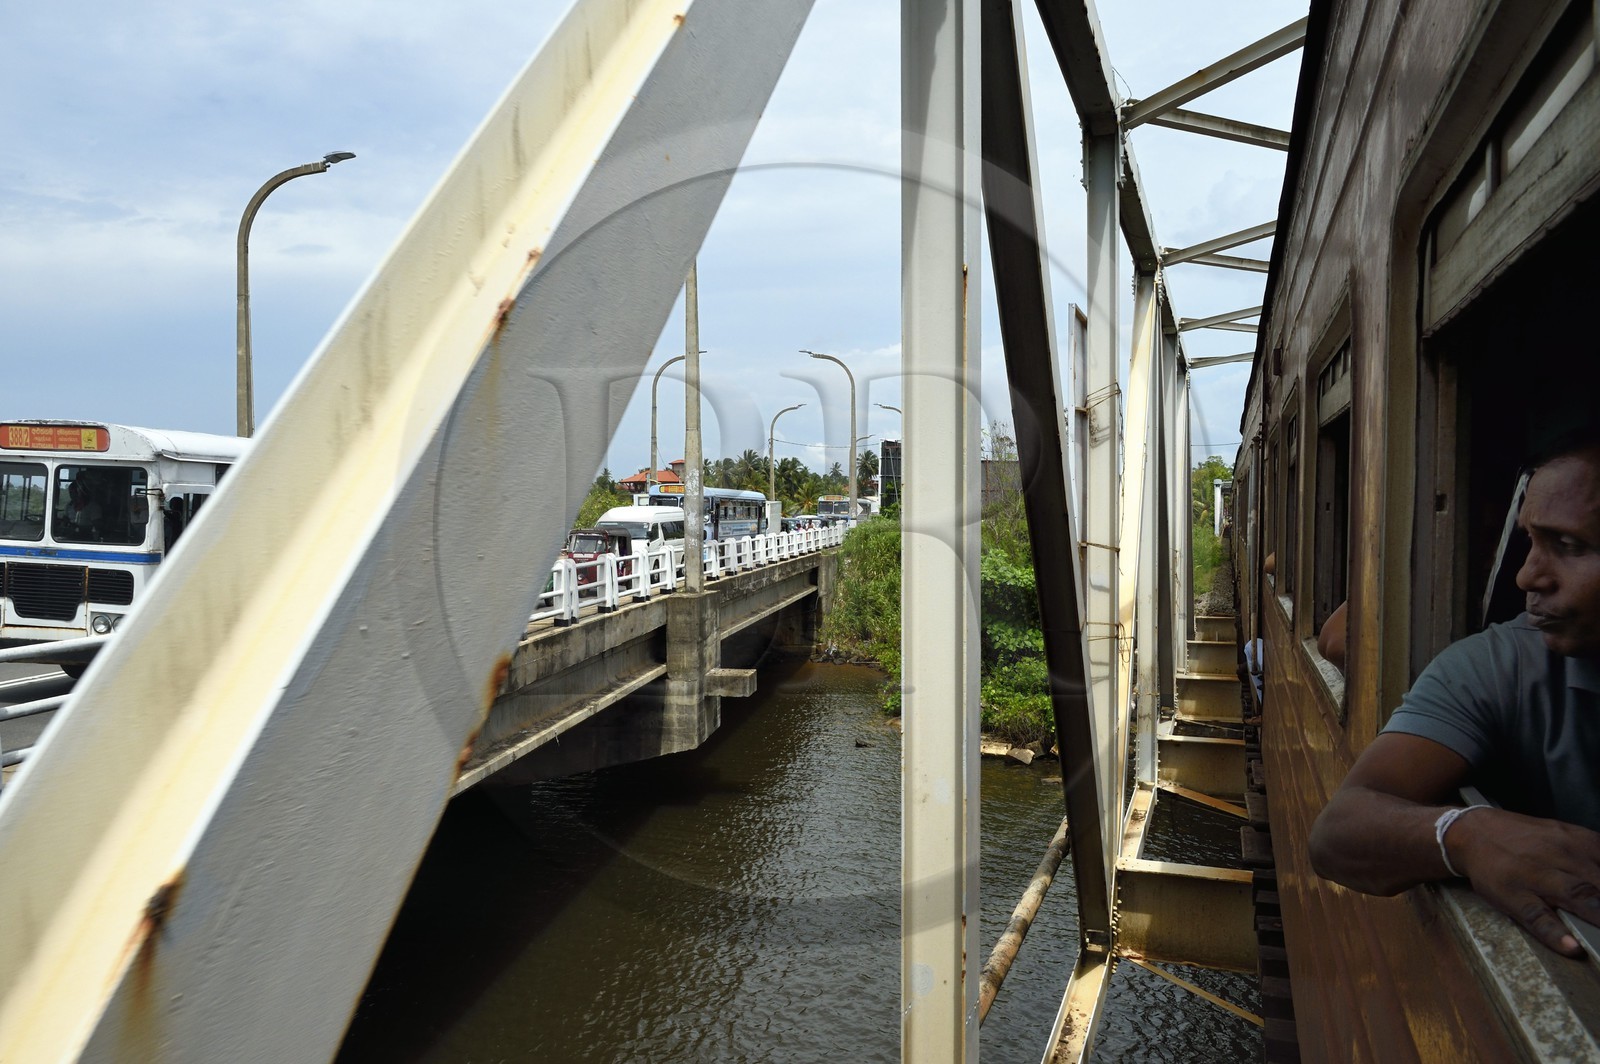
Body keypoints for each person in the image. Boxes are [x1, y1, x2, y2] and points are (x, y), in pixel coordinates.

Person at [1309, 441, 1600, 957]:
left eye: (1569, 545)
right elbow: (1336, 834)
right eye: (1528, 540)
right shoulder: (1500, 665)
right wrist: (1463, 833)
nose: (1526, 575)